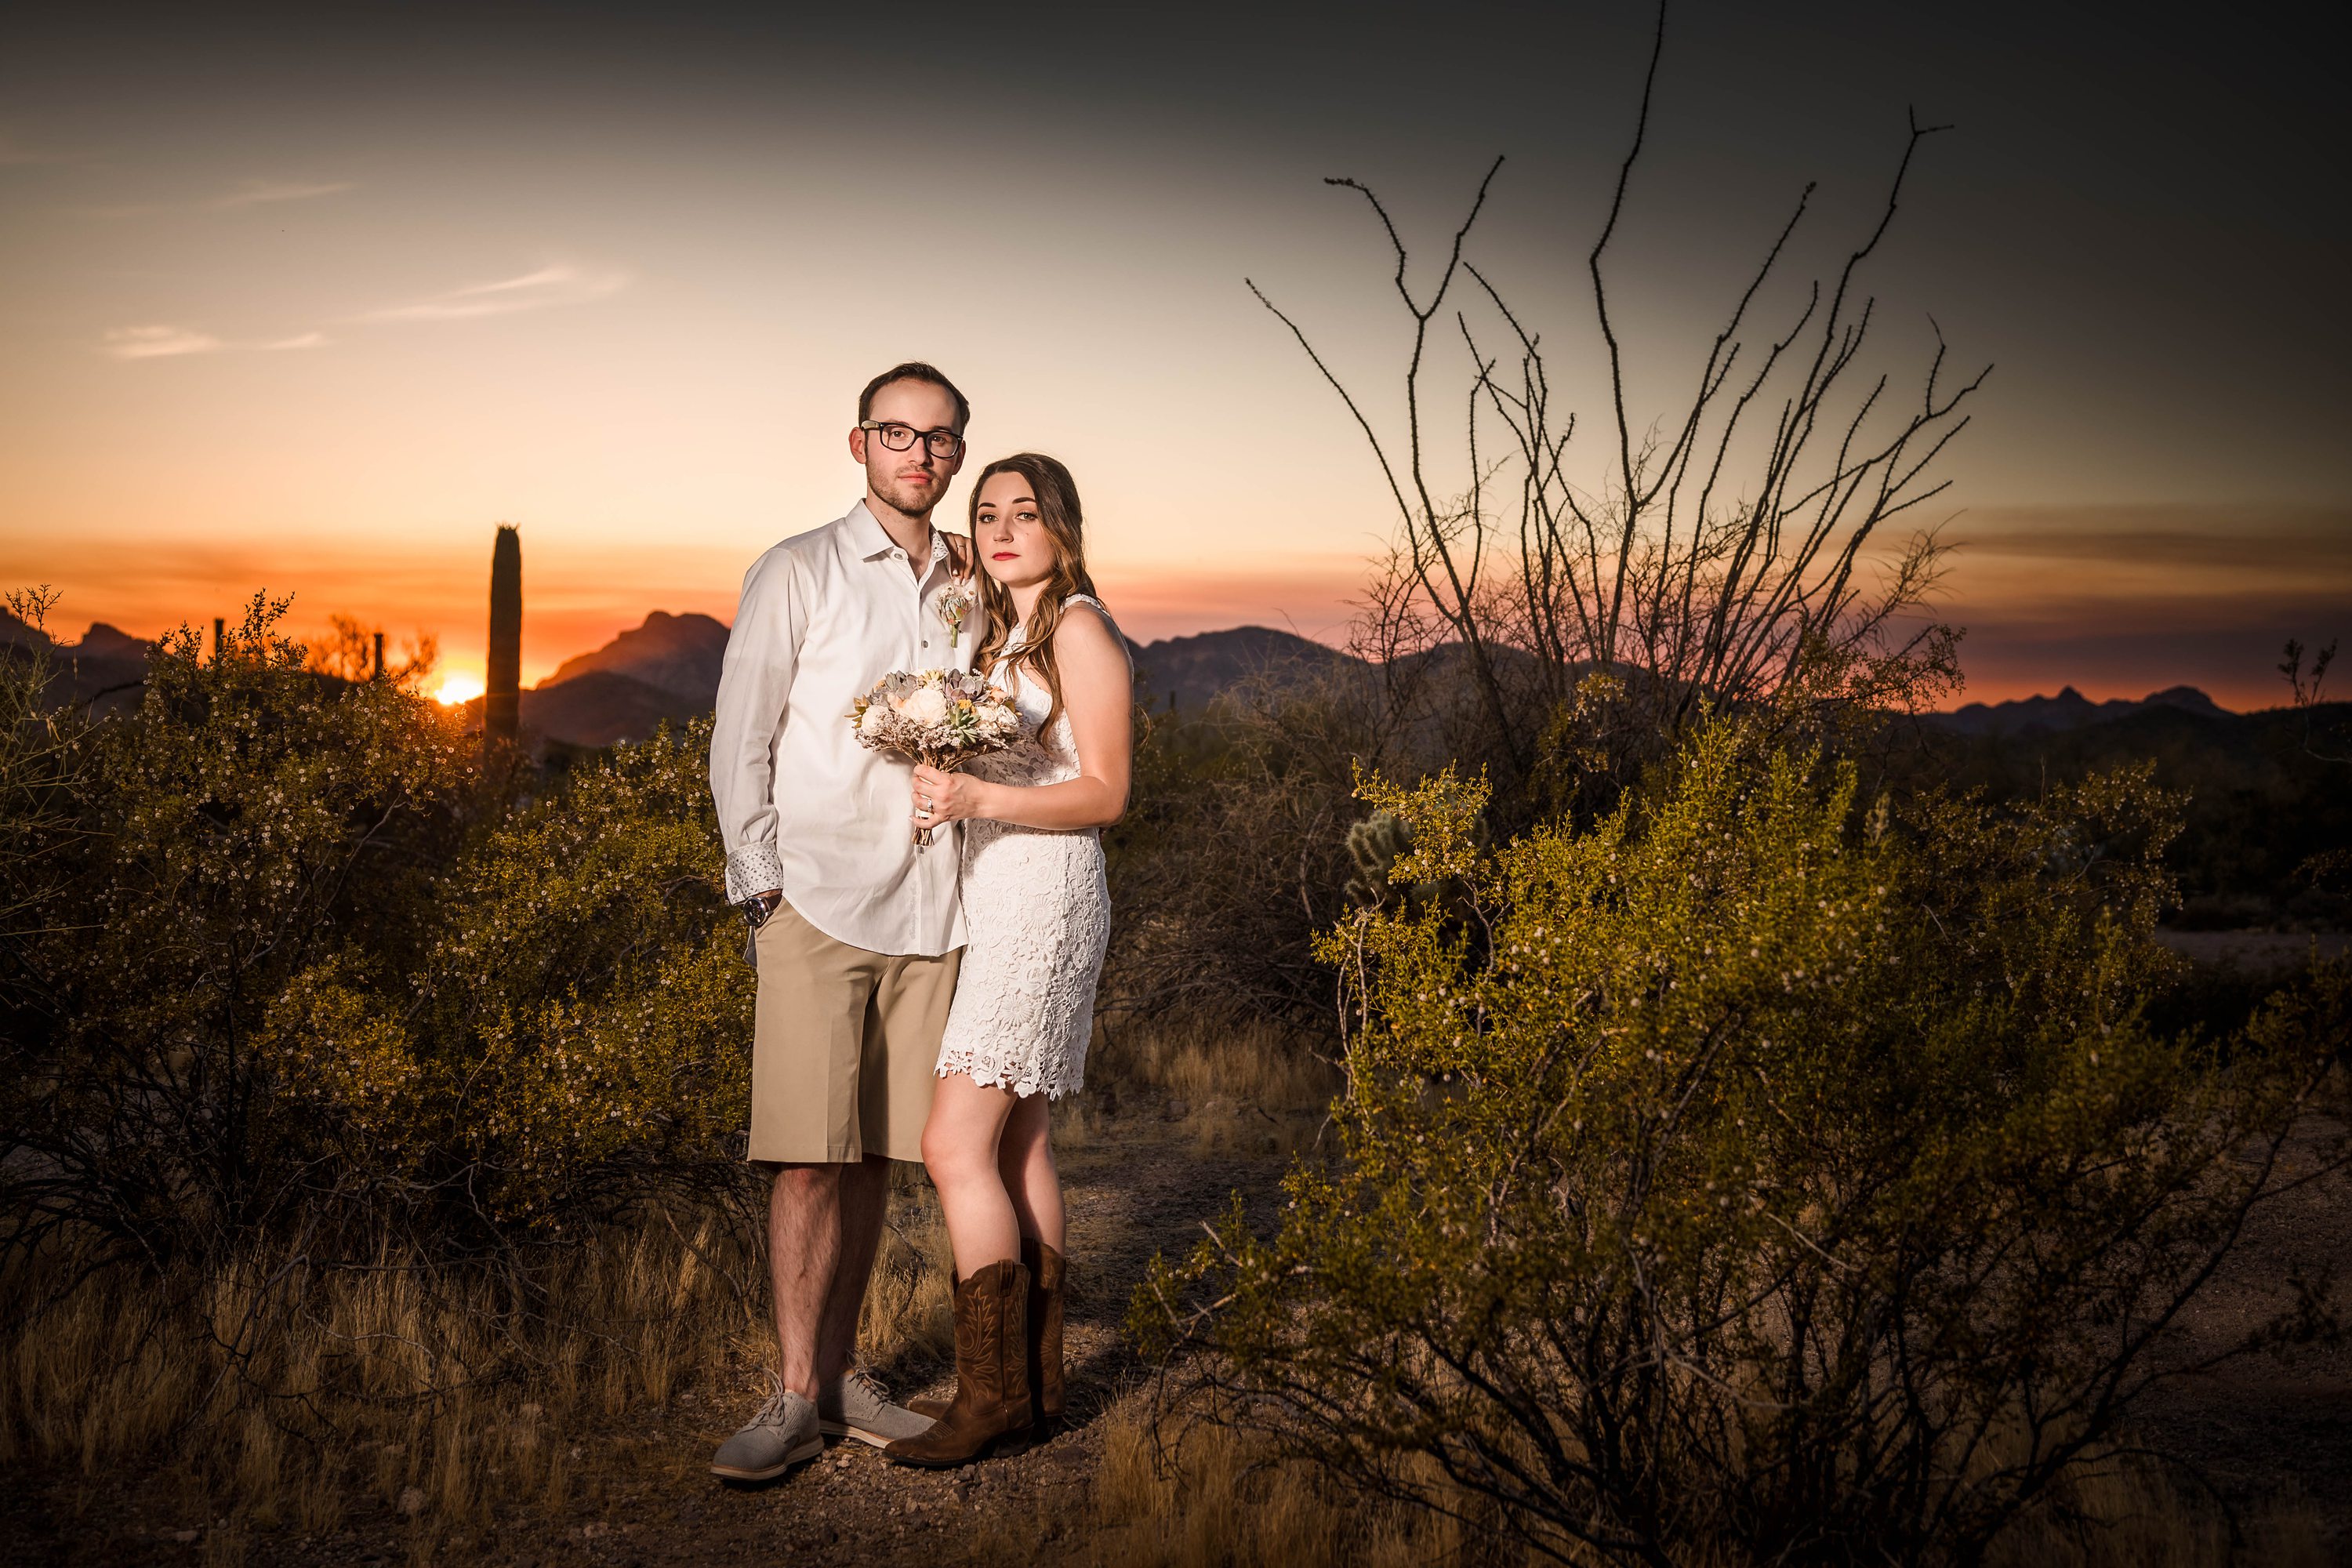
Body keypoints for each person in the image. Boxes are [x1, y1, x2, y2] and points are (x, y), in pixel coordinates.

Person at [706, 361, 978, 1481]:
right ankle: (791, 1395)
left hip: (934, 909)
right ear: (857, 443)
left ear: (959, 452)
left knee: (872, 1155)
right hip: (816, 901)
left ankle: (844, 1379)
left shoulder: (975, 580)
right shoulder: (798, 569)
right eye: (898, 434)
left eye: (940, 438)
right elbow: (741, 737)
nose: (920, 455)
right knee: (805, 1161)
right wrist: (763, 892)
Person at [880, 452, 1132, 1468]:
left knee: (954, 1143)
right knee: (1018, 1140)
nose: (1002, 528)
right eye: (987, 513)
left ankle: (988, 1399)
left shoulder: (1078, 626)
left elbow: (1108, 793)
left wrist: (985, 799)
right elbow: (1006, 768)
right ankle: (1036, 1390)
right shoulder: (996, 639)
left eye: (1025, 512)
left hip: (1048, 895)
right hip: (996, 889)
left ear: (1061, 526)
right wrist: (944, 785)